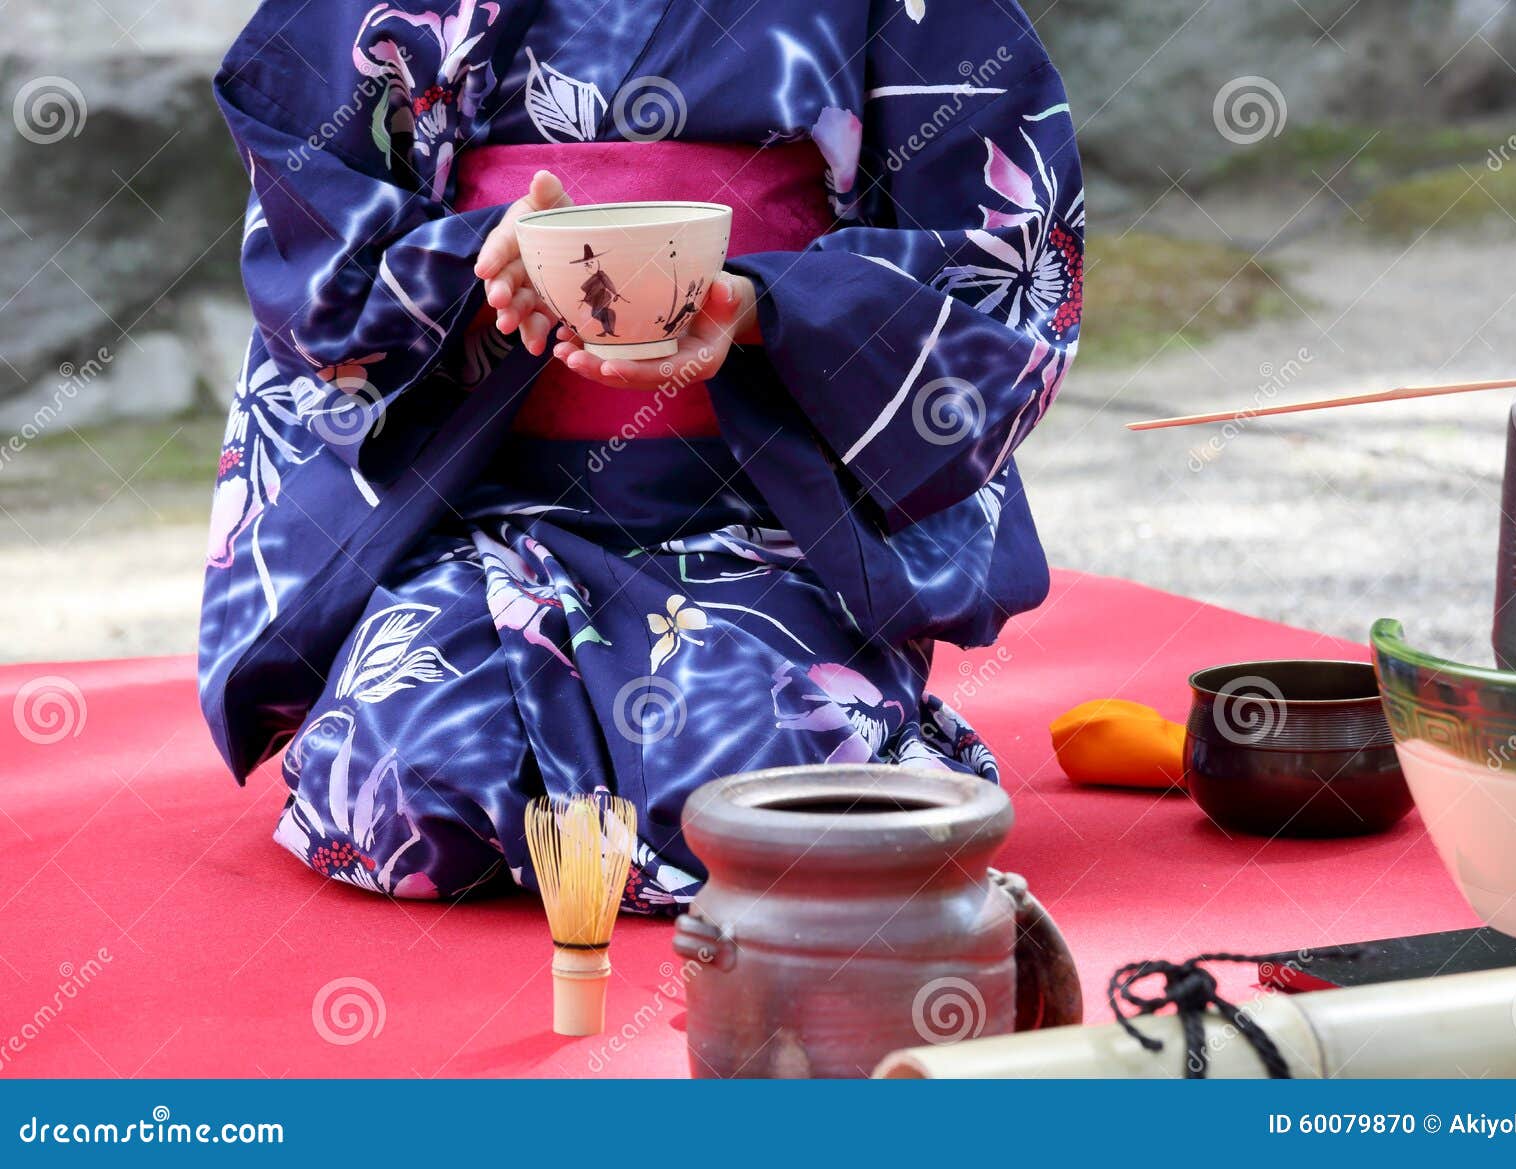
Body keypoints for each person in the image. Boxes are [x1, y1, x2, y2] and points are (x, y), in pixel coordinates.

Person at [201, 0, 1084, 910]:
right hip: (483, 512)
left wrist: (764, 306)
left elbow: (998, 246)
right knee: (400, 773)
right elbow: (304, 180)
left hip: (768, 515)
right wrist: (473, 259)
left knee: (763, 774)